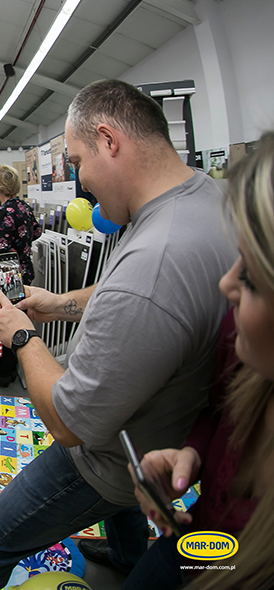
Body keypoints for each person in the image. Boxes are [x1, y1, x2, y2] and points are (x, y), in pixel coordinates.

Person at [0, 79, 236, 589]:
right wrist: (61, 303)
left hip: (104, 458)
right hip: (145, 440)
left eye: (77, 162)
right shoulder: (201, 197)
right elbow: (132, 292)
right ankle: (127, 554)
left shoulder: (157, 258)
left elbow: (68, 423)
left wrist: (22, 335)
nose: (80, 182)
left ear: (108, 140)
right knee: (120, 509)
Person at [121, 139, 274, 590]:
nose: (227, 282)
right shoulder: (237, 336)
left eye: (250, 275)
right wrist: (195, 454)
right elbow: (220, 413)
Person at [0, 164, 42, 387]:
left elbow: (0, 253)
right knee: (19, 317)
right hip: (25, 271)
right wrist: (21, 244)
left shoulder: (2, 213)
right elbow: (36, 231)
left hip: (9, 277)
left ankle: (4, 373)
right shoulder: (24, 207)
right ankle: (8, 368)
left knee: (10, 323)